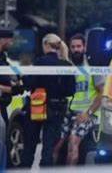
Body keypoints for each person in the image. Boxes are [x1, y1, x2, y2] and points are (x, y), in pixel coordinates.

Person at [21, 33, 76, 167]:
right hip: (57, 109)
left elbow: (29, 83)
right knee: (49, 148)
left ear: (46, 45)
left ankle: (25, 169)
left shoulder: (40, 62)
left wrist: (23, 77)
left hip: (37, 107)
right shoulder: (67, 65)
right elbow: (71, 91)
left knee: (30, 145)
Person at [53, 33, 104, 165]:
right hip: (69, 111)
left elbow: (101, 94)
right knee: (55, 144)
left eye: (79, 46)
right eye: (73, 47)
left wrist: (88, 113)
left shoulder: (93, 66)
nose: (76, 49)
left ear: (84, 47)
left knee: (72, 142)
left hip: (87, 113)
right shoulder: (68, 67)